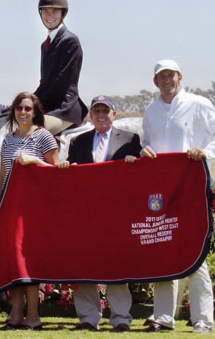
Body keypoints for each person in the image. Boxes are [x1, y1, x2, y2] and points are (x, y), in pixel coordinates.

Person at [141, 59, 215, 334]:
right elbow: (148, 142)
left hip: (191, 186)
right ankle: (162, 317)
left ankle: (203, 319)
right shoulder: (151, 110)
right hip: (161, 190)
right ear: (155, 82)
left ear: (180, 77)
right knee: (162, 248)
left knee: (196, 252)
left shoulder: (198, 104)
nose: (166, 81)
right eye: (161, 77)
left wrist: (206, 151)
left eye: (170, 76)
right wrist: (145, 150)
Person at [58, 95, 142, 331]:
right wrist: (66, 168)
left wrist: (134, 161)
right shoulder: (78, 142)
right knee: (85, 264)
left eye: (106, 111)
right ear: (91, 116)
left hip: (117, 214)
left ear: (114, 114)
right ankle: (88, 318)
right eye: (97, 111)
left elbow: (139, 175)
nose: (101, 115)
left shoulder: (130, 139)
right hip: (86, 214)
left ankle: (121, 318)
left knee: (117, 265)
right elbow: (72, 177)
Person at [0, 92, 59, 330]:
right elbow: (1, 176)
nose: (23, 112)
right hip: (8, 208)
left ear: (35, 111)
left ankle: (33, 317)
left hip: (33, 210)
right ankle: (15, 315)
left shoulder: (43, 137)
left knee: (27, 262)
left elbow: (55, 172)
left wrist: (34, 162)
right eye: (19, 108)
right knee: (12, 261)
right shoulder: (8, 140)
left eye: (28, 108)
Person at [34, 0, 88, 135]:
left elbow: (61, 84)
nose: (49, 16)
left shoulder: (70, 41)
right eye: (45, 11)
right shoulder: (45, 45)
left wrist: (35, 104)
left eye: (55, 11)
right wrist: (25, 102)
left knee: (33, 132)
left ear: (62, 14)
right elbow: (45, 84)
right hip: (50, 107)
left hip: (65, 108)